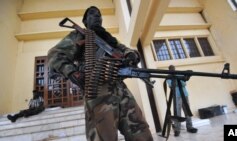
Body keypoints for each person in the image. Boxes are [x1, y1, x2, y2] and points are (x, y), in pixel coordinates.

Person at [47, 6, 153, 141]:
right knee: (103, 137)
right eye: (92, 14)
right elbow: (55, 54)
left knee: (140, 130)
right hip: (97, 90)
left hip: (121, 89)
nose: (97, 17)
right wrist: (71, 72)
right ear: (85, 20)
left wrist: (131, 55)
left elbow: (126, 50)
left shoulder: (109, 39)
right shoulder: (78, 35)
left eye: (99, 15)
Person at [166, 65, 198, 136]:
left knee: (187, 111)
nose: (173, 70)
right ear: (169, 70)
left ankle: (190, 127)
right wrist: (179, 80)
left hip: (185, 94)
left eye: (173, 68)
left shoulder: (179, 73)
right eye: (171, 69)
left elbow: (184, 83)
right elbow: (172, 85)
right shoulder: (168, 77)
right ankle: (177, 130)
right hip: (177, 96)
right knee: (177, 113)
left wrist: (178, 80)